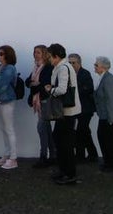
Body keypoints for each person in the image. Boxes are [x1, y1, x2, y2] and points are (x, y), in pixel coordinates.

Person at [45, 44, 79, 185]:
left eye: (49, 56)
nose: (49, 59)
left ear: (56, 56)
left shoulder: (63, 68)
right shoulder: (62, 67)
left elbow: (62, 89)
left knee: (64, 142)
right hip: (64, 111)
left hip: (67, 111)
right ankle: (64, 170)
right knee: (60, 140)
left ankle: (69, 173)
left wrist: (50, 89)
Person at [26, 45, 55, 168]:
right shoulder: (36, 67)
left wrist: (35, 84)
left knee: (42, 128)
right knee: (46, 129)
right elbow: (28, 82)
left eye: (38, 52)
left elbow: (45, 85)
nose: (35, 54)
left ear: (44, 54)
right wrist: (35, 84)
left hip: (44, 101)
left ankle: (44, 156)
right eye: (34, 52)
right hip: (38, 101)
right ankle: (52, 155)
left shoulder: (48, 67)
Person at [93, 55, 113, 173]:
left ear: (103, 67)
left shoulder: (109, 79)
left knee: (108, 139)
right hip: (105, 114)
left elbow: (111, 100)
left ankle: (111, 164)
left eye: (96, 65)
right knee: (104, 137)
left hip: (111, 115)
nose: (94, 67)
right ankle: (108, 162)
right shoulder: (103, 77)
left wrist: (111, 119)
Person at [67, 53, 98, 164]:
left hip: (86, 108)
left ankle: (81, 155)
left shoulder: (85, 74)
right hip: (76, 108)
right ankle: (92, 154)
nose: (71, 64)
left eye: (73, 62)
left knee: (81, 131)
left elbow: (88, 89)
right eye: (69, 62)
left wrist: (73, 91)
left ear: (79, 63)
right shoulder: (69, 74)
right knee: (84, 131)